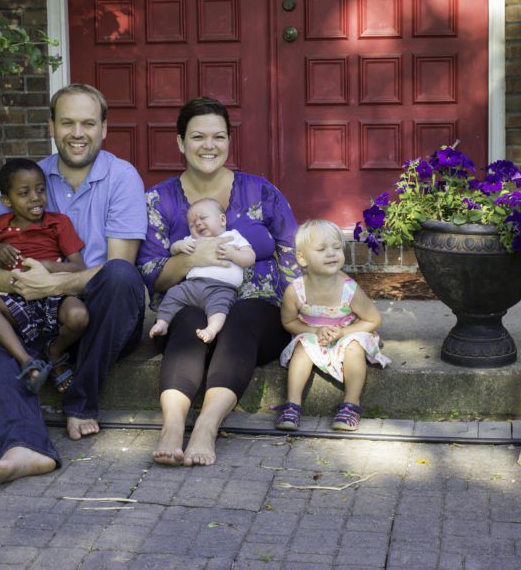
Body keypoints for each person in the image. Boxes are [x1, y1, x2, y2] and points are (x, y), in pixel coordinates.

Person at [0, 84, 147, 486]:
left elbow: (118, 268)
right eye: (67, 122)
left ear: (104, 127)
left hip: (104, 317)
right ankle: (23, 449)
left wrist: (50, 286)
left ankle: (81, 401)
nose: (77, 132)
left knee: (119, 276)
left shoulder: (122, 178)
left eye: (87, 123)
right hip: (40, 313)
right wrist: (19, 284)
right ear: (51, 126)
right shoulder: (26, 178)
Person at [137, 96, 299, 467]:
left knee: (241, 318)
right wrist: (195, 257)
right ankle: (172, 428)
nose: (209, 145)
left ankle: (207, 427)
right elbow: (151, 274)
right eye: (197, 137)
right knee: (190, 321)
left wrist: (306, 315)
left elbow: (293, 257)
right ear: (180, 143)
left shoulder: (261, 192)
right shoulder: (157, 200)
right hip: (191, 307)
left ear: (229, 141)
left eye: (219, 136)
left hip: (258, 313)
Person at [0, 158, 89, 394]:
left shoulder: (58, 223)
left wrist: (47, 267)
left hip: (56, 295)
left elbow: (79, 266)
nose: (35, 197)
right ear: (6, 200)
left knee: (79, 316)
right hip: (20, 299)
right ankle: (26, 360)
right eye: (24, 193)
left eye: (40, 189)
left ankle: (55, 352)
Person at [274, 219, 390, 432]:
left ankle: (351, 404)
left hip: (347, 333)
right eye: (321, 249)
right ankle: (292, 405)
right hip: (314, 334)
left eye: (337, 248)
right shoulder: (296, 290)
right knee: (302, 348)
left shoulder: (349, 289)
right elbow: (288, 321)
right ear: (302, 258)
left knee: (354, 346)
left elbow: (373, 320)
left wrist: (344, 332)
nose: (331, 253)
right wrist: (313, 331)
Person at [148, 198, 255, 343]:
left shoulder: (233, 237)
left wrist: (233, 254)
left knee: (220, 308)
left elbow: (250, 257)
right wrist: (179, 246)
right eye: (192, 224)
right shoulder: (192, 240)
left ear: (222, 220)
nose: (197, 223)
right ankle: (162, 322)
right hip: (192, 286)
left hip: (221, 288)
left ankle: (212, 329)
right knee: (173, 294)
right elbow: (173, 250)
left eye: (203, 218)